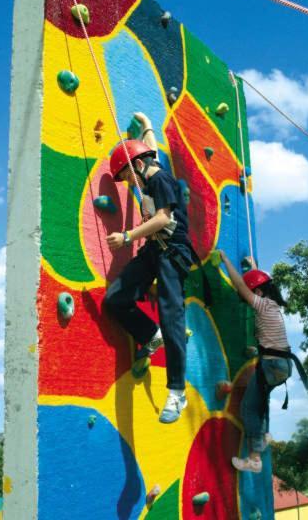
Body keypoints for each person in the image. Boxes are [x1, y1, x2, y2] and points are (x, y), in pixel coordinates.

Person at [104, 112, 192, 424]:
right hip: (155, 249)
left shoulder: (158, 179)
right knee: (115, 299)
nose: (129, 183)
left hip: (173, 253)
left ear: (138, 167)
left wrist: (127, 236)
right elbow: (150, 148)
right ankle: (148, 334)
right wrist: (147, 125)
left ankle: (176, 392)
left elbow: (164, 219)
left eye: (128, 177)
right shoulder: (149, 166)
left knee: (172, 319)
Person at [219, 251, 292, 473]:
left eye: (252, 295)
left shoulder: (262, 305)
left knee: (248, 409)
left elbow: (241, 286)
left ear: (259, 293)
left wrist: (225, 260)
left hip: (271, 365)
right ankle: (263, 435)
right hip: (282, 366)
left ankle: (254, 459)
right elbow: (261, 282)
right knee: (259, 401)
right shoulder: (274, 305)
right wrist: (253, 268)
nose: (249, 299)